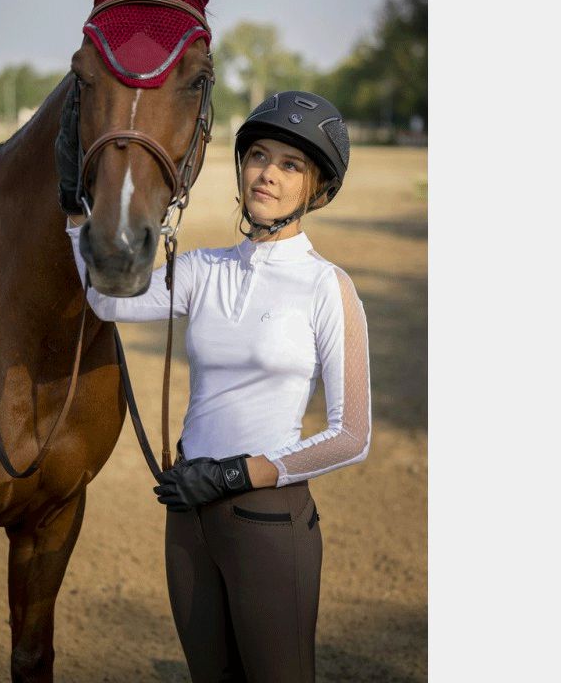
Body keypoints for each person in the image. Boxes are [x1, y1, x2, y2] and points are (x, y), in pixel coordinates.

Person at [60, 90, 371, 682]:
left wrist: (233, 474)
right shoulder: (204, 269)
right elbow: (105, 301)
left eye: (291, 165)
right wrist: (76, 214)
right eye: (258, 155)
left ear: (317, 189)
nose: (267, 174)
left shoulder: (327, 287)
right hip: (188, 517)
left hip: (268, 520)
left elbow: (351, 435)